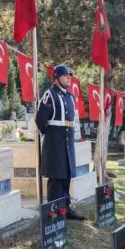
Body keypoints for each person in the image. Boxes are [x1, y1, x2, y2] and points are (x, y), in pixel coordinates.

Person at [35, 65, 85, 220]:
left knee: (66, 176)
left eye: (70, 75)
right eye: (65, 75)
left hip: (67, 142)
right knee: (56, 178)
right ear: (56, 77)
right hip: (55, 142)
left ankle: (65, 208)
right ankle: (54, 211)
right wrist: (51, 137)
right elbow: (40, 120)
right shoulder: (50, 95)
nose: (69, 78)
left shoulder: (70, 96)